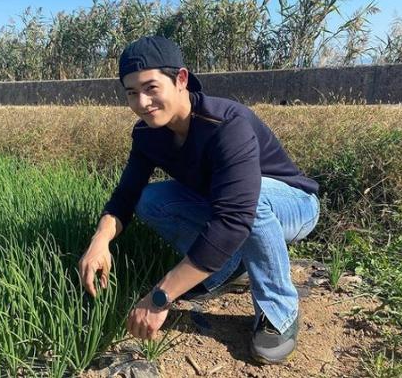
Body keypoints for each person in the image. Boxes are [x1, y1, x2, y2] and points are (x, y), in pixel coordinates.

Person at [78, 35, 320, 364]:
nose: (142, 102)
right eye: (132, 93)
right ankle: (225, 269)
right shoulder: (148, 133)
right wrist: (100, 240)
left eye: (151, 88)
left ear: (180, 79)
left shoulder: (225, 124)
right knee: (150, 199)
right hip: (227, 203)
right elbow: (126, 194)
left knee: (251, 202)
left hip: (293, 202)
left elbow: (234, 219)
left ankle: (279, 312)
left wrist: (160, 297)